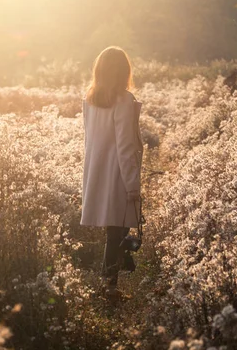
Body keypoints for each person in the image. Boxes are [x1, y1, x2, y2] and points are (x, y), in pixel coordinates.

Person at [81, 46, 144, 297]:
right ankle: (109, 286)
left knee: (115, 229)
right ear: (123, 71)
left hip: (98, 169)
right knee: (117, 230)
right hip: (117, 172)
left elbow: (89, 139)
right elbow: (125, 145)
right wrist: (133, 186)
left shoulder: (90, 98)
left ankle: (110, 281)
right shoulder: (123, 100)